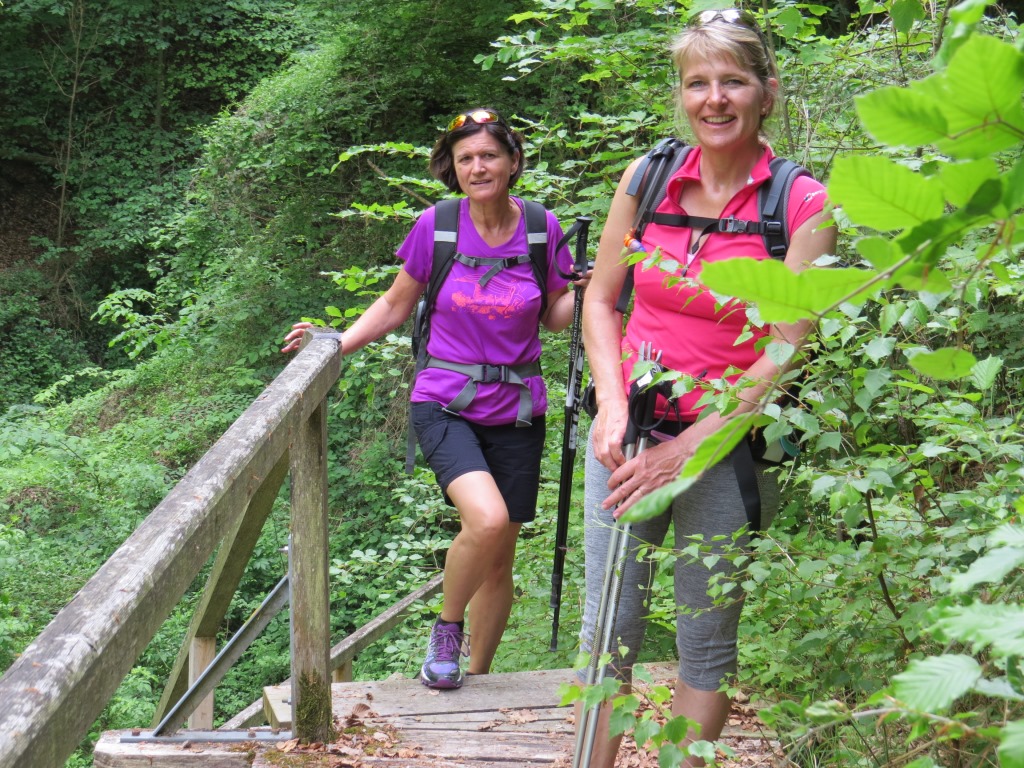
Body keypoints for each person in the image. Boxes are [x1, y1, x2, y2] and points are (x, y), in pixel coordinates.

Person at [575, 10, 836, 767]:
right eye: (697, 83)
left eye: (732, 81)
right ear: (682, 95)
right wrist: (612, 402)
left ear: (766, 92)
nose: (714, 99)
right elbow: (601, 300)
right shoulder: (647, 178)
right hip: (628, 436)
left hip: (726, 450)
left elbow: (785, 348)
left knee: (705, 639)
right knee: (606, 634)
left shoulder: (801, 204)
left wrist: (687, 450)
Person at [283, 108, 586, 690]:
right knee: (487, 520)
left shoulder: (541, 227)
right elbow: (395, 305)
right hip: (445, 400)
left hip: (519, 408)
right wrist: (335, 343)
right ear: (453, 168)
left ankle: (476, 678)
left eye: (489, 155)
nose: (478, 167)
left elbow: (554, 317)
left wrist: (590, 289)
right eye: (466, 158)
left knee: (500, 558)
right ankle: (447, 630)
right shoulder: (438, 225)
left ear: (513, 162)